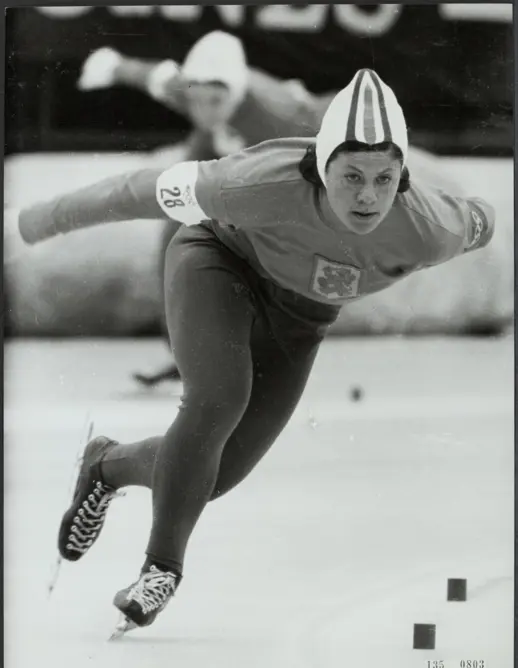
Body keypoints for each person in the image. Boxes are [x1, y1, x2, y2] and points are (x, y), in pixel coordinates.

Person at [6, 69, 494, 638]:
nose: (368, 195)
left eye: (385, 178)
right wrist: (38, 221)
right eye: (352, 175)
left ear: (403, 176)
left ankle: (105, 465)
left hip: (301, 318)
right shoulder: (254, 182)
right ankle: (161, 569)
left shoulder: (432, 226)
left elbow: (485, 217)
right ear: (320, 166)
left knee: (214, 474)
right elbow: (136, 190)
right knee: (220, 397)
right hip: (219, 262)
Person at [78, 31, 462, 386]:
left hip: (303, 141)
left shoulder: (275, 118)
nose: (205, 108)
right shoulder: (195, 87)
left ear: (238, 92)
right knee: (176, 233)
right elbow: (154, 76)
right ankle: (187, 351)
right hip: (222, 152)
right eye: (196, 99)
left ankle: (249, 345)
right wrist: (111, 65)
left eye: (216, 101)